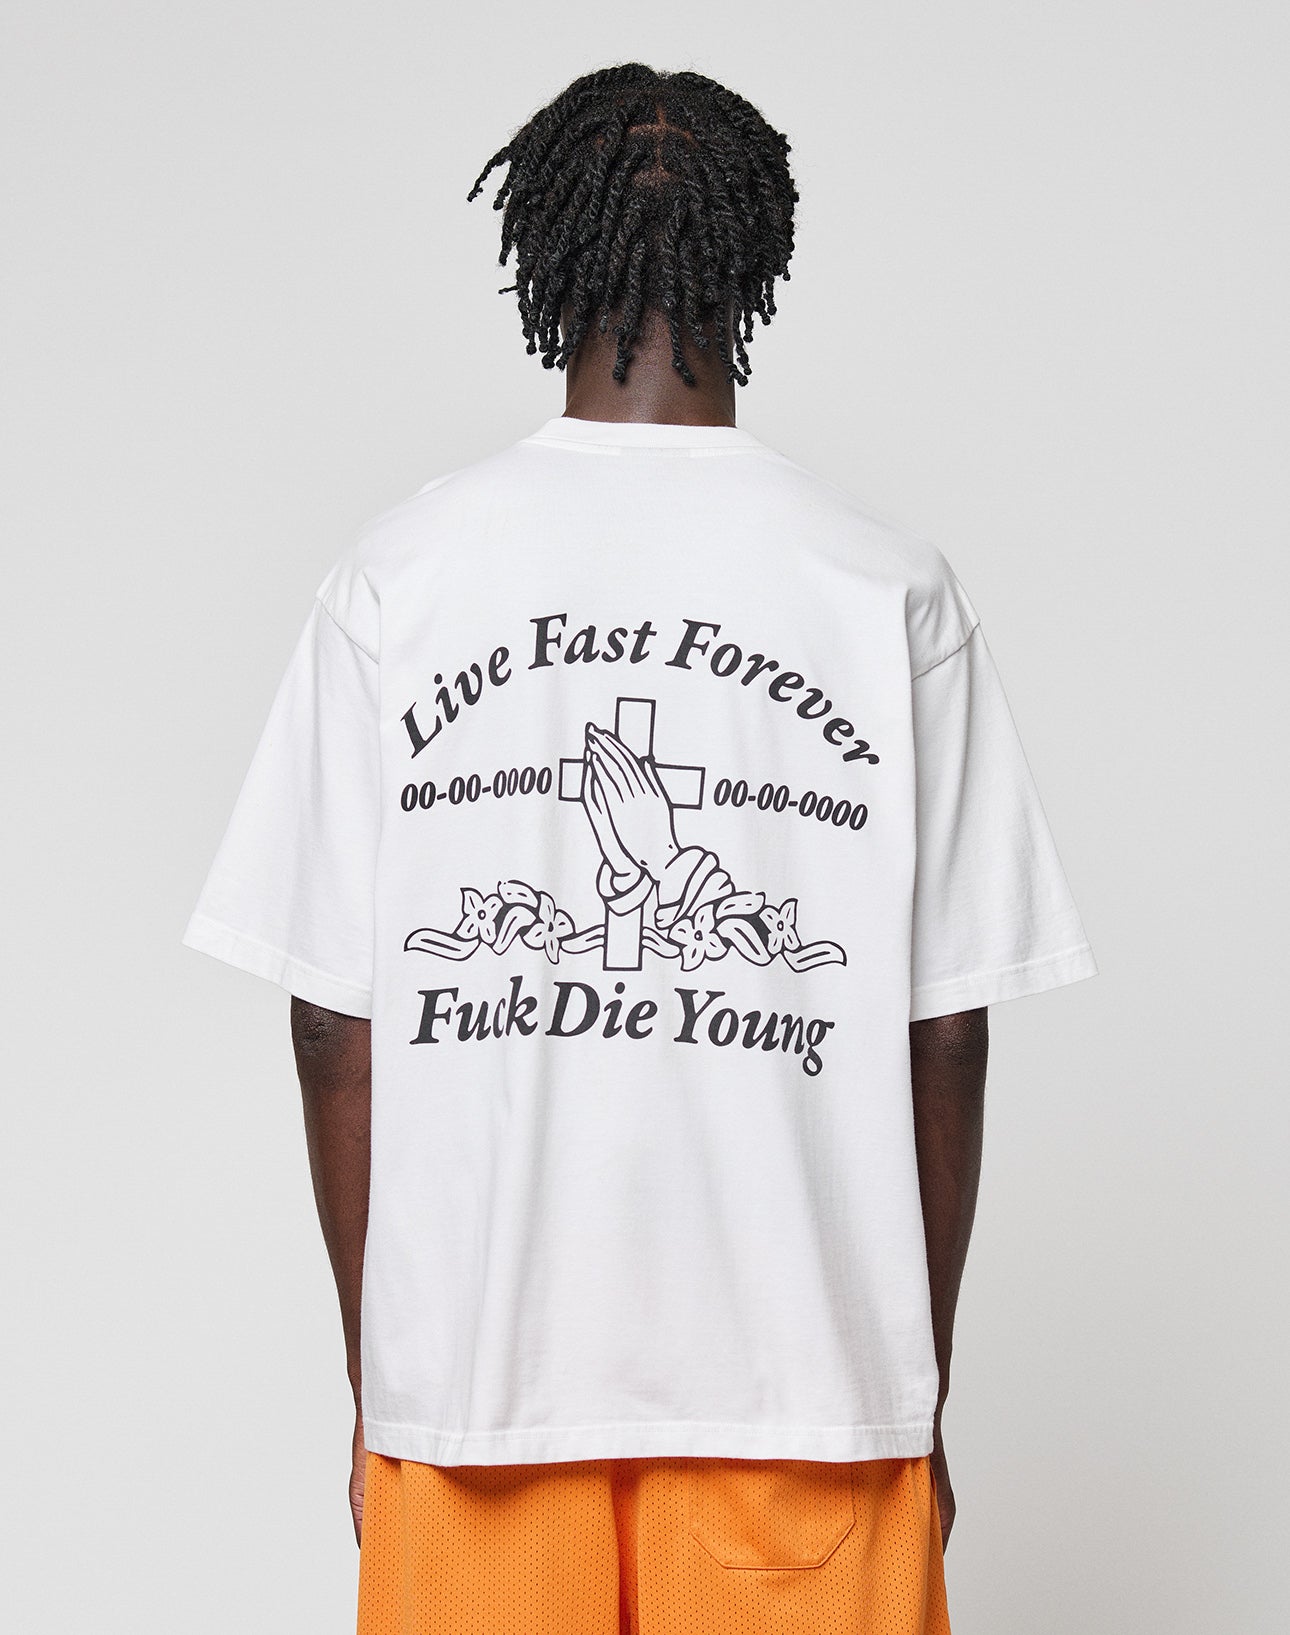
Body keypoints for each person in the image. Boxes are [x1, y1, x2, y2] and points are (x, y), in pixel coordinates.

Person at [184, 63, 1096, 1635]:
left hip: (480, 1388)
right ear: (754, 259)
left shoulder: (401, 573)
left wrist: (380, 1381)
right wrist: (912, 1386)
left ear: (546, 256)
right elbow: (943, 1030)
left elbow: (335, 1022)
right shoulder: (879, 583)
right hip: (804, 1385)